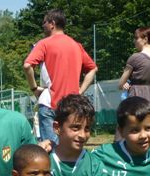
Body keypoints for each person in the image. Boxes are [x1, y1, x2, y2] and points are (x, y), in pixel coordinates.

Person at [23, 9, 98, 145]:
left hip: (50, 104)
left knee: (50, 149)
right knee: (70, 148)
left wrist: (34, 88)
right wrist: (80, 91)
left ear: (52, 23)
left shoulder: (44, 43)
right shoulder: (77, 45)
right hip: (72, 105)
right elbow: (93, 69)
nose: (43, 26)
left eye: (44, 22)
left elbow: (27, 66)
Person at [118, 27, 150, 142]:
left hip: (137, 95)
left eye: (136, 38)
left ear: (145, 39)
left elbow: (121, 83)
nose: (134, 41)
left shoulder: (135, 57)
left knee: (132, 127)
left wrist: (125, 85)